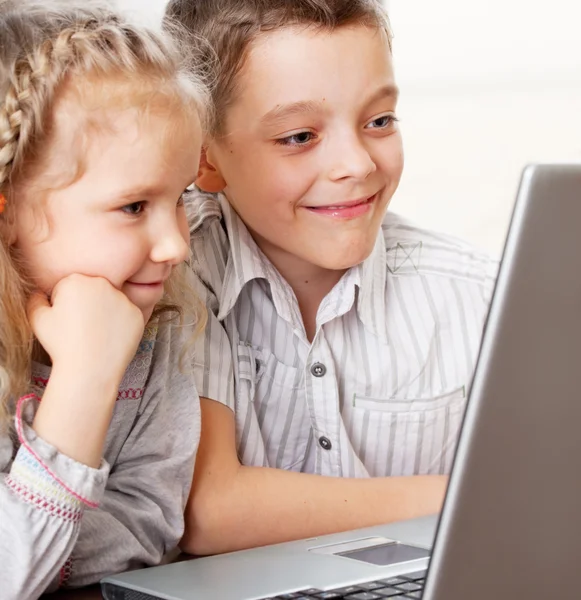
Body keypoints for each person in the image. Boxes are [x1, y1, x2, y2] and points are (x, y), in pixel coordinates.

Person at [167, 0, 497, 556]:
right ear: (204, 158)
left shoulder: (481, 296)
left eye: (379, 121)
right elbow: (209, 512)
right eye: (299, 136)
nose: (357, 164)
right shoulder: (173, 271)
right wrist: (471, 498)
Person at [0, 1, 208, 597]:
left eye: (181, 198)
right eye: (134, 207)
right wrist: (87, 377)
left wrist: (34, 531)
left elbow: (148, 523)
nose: (175, 245)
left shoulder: (152, 328)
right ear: (8, 209)